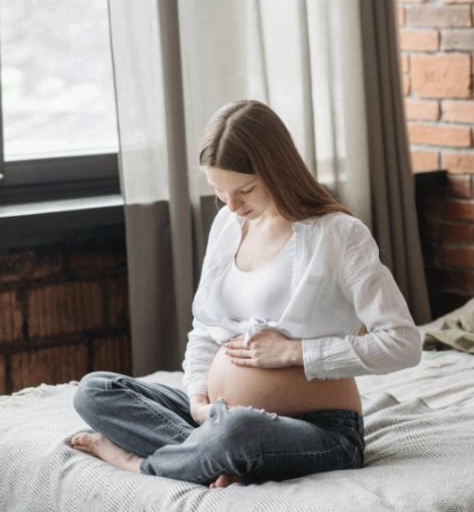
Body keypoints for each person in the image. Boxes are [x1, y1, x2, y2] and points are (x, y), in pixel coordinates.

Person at [70, 99, 422, 488]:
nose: (233, 206)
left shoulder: (338, 234)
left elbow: (403, 343)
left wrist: (294, 352)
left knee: (238, 432)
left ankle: (140, 464)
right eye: (219, 191)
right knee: (95, 391)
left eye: (245, 190)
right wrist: (197, 400)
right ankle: (208, 453)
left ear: (277, 170)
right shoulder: (229, 224)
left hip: (319, 431)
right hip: (218, 418)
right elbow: (205, 329)